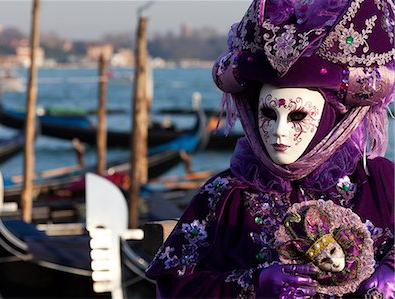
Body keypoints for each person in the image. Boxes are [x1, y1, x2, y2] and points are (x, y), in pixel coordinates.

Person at [145, 0, 394, 298]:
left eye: (298, 115)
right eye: (268, 114)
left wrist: (391, 270)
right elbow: (175, 288)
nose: (280, 131)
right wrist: (254, 285)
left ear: (331, 117)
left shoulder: (375, 180)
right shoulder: (226, 194)